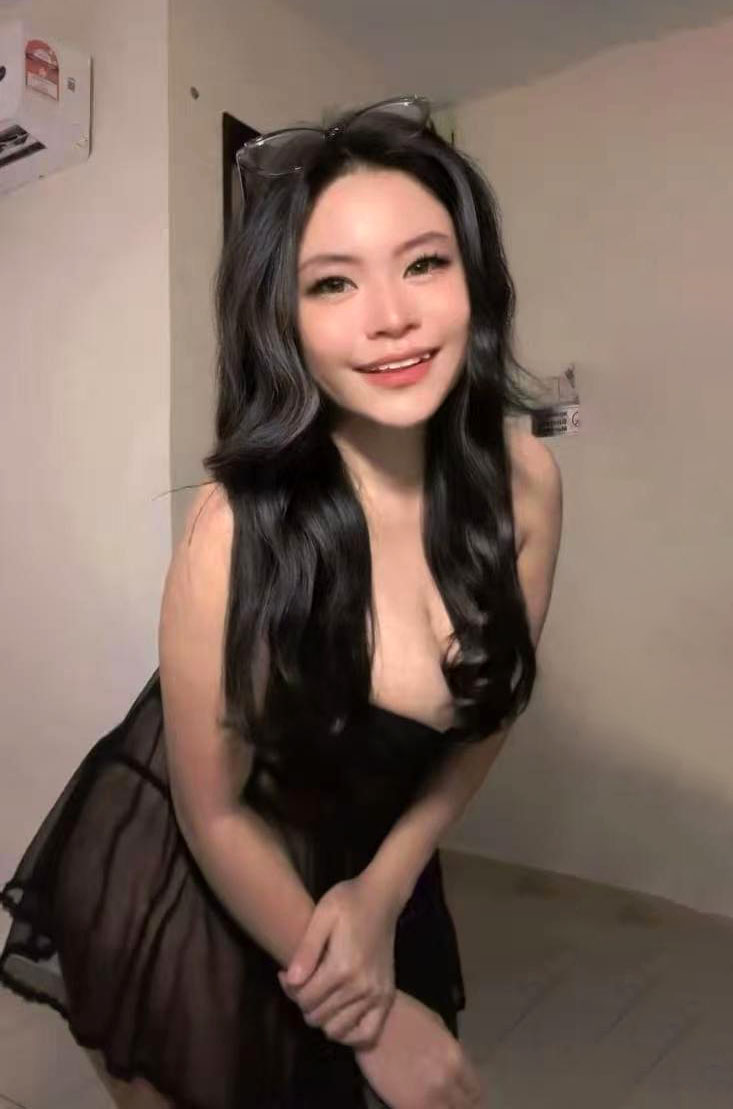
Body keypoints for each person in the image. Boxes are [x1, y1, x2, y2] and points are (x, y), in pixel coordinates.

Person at [0, 95, 562, 1108]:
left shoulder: (526, 483)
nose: (389, 315)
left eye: (424, 263)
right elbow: (212, 809)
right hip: (202, 872)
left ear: (473, 279)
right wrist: (369, 1014)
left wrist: (383, 886)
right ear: (283, 320)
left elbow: (489, 712)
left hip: (372, 864)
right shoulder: (237, 527)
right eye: (332, 281)